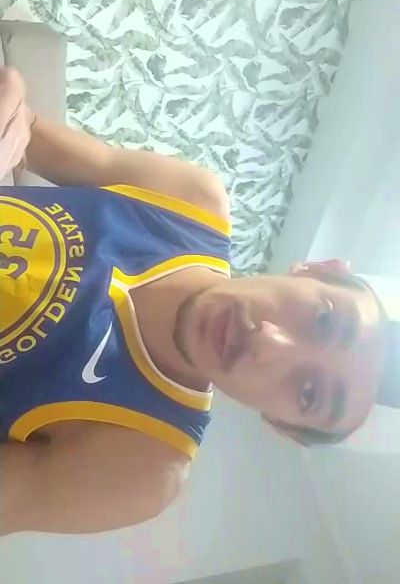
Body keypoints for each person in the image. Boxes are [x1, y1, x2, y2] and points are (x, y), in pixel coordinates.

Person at [0, 67, 397, 536]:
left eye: (308, 393)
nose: (268, 344)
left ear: (283, 426)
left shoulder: (141, 467)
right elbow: (27, 128)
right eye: (323, 319)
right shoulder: (190, 202)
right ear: (317, 269)